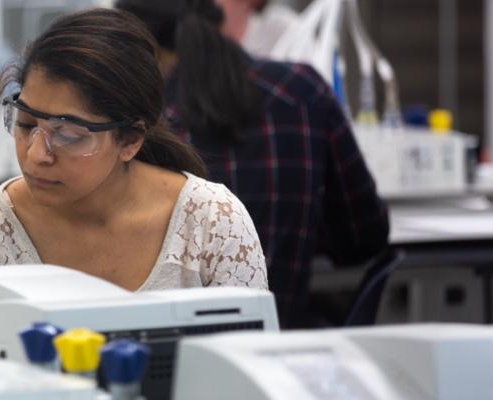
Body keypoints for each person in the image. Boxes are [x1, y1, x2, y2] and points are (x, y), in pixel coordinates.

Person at [116, 0, 390, 328]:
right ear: (216, 18)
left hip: (172, 356)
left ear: (140, 44)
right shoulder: (301, 92)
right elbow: (363, 238)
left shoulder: (142, 123)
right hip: (278, 350)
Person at [0, 9, 267, 293]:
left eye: (67, 135)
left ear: (130, 140)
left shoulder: (212, 222)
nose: (37, 154)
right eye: (25, 125)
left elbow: (249, 352)